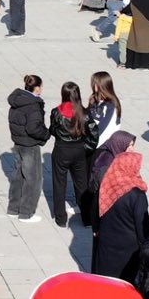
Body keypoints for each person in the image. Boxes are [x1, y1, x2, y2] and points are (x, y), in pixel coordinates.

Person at [90, 134, 149, 284]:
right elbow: (142, 225)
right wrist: (146, 245)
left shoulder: (108, 184)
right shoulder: (137, 194)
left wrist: (96, 229)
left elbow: (95, 209)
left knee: (105, 278)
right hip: (127, 247)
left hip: (106, 240)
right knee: (123, 282)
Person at [48, 83, 94, 228]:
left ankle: (61, 219)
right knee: (82, 185)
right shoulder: (84, 113)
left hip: (61, 149)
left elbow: (52, 130)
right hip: (79, 150)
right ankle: (86, 219)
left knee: (59, 184)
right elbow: (93, 133)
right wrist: (87, 148)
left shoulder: (56, 111)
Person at [5, 74, 49, 223]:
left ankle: (13, 208)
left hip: (18, 142)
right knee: (33, 179)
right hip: (30, 145)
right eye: (41, 86)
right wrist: (46, 134)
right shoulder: (33, 105)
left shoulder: (17, 100)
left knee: (18, 176)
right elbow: (33, 128)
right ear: (36, 88)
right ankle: (26, 213)